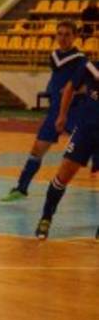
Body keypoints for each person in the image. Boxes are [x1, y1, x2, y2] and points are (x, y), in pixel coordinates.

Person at [2, 21, 86, 201]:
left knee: (87, 148)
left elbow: (87, 84)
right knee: (37, 149)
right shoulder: (54, 56)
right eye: (60, 34)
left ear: (75, 36)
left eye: (67, 34)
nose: (63, 38)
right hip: (55, 111)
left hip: (74, 111)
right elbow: (57, 77)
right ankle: (21, 188)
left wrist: (75, 91)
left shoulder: (80, 59)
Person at [34, 56, 99, 239]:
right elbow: (69, 87)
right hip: (86, 129)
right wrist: (62, 115)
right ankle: (46, 218)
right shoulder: (90, 66)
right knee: (64, 175)